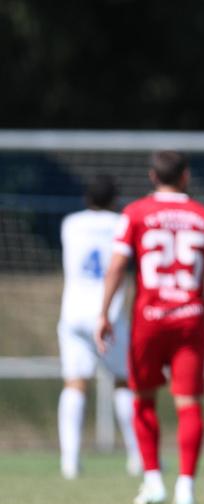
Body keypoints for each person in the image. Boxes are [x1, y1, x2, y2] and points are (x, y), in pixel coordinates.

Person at [95, 151, 204, 504]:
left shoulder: (135, 213)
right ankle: (186, 487)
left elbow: (117, 267)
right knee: (188, 404)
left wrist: (104, 312)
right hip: (189, 319)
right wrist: (202, 310)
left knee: (143, 398)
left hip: (148, 321)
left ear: (153, 176)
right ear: (185, 177)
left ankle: (153, 480)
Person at [57, 175, 141, 479]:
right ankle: (137, 458)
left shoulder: (70, 224)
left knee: (75, 384)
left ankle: (70, 461)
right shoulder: (122, 223)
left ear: (86, 199)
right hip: (109, 313)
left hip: (73, 313)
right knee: (123, 382)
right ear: (114, 200)